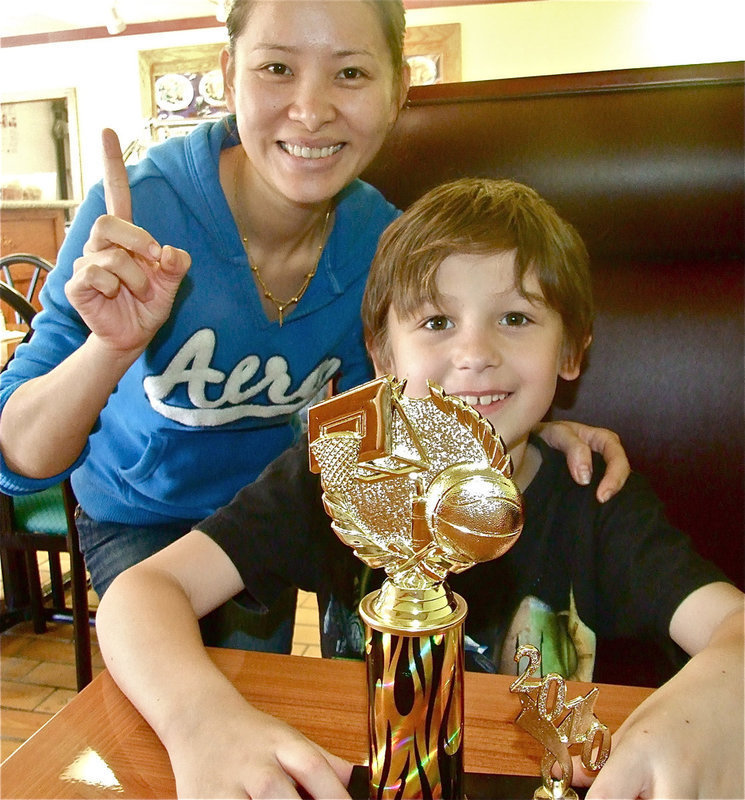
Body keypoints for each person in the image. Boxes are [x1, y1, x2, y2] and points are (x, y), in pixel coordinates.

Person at [0, 0, 627, 648]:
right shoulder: (135, 215)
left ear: (397, 90)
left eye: (350, 74)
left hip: (286, 509)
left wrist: (514, 426)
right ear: (228, 73)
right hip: (142, 516)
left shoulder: (383, 245)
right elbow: (18, 459)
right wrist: (110, 347)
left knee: (300, 685)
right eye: (276, 67)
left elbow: (396, 406)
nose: (311, 108)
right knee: (184, 685)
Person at [96, 177, 743, 799]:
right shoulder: (331, 472)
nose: (474, 352)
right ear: (381, 355)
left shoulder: (595, 499)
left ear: (569, 352)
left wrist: (713, 694)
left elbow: (732, 626)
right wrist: (200, 721)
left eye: (515, 317)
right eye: (436, 322)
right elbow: (144, 592)